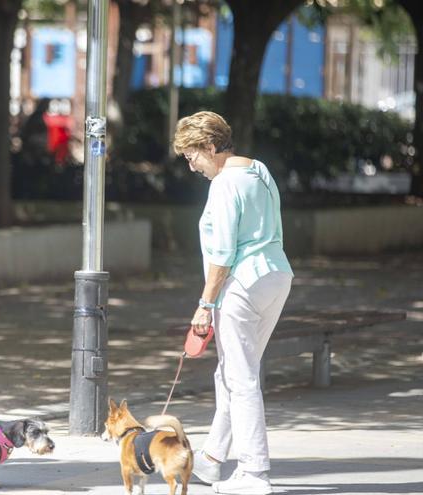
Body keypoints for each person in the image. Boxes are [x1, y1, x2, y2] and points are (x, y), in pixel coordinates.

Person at [172, 111, 293, 495]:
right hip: (276, 276)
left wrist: (205, 303)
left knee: (240, 379)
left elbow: (223, 253)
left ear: (210, 146)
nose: (192, 166)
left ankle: (254, 473)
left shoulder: (224, 184)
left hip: (242, 284)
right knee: (232, 373)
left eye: (193, 156)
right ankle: (210, 460)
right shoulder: (259, 170)